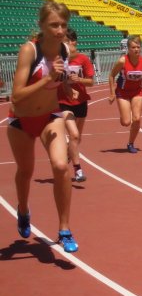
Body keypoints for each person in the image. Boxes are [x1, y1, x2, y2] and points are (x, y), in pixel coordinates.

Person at [7, 0, 79, 252]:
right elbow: (15, 96)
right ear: (42, 25)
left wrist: (66, 86)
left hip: (50, 117)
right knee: (25, 171)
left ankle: (64, 228)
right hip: (22, 120)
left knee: (61, 166)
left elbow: (59, 82)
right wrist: (48, 78)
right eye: (54, 25)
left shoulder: (64, 50)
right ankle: (23, 209)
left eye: (63, 25)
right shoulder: (29, 50)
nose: (60, 30)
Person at [57, 28, 95, 182]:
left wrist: (79, 80)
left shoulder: (83, 59)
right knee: (73, 135)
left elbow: (91, 82)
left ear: (74, 42)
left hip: (81, 101)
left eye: (66, 42)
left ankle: (68, 155)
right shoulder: (58, 60)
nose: (64, 45)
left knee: (77, 138)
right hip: (63, 102)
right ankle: (78, 169)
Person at [108, 35, 142, 153]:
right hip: (123, 92)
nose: (136, 49)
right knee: (126, 122)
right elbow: (111, 75)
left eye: (138, 47)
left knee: (137, 119)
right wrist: (112, 93)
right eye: (133, 47)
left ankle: (131, 143)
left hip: (137, 91)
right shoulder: (122, 61)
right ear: (128, 49)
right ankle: (125, 113)